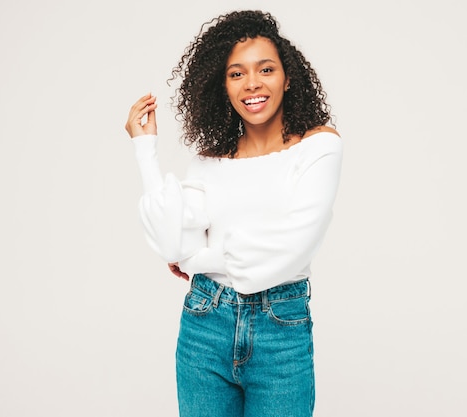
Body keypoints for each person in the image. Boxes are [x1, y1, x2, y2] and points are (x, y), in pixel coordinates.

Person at [124, 10, 342, 417]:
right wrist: (145, 149)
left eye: (266, 69)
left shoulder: (319, 146)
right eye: (236, 74)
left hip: (281, 330)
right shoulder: (209, 162)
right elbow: (171, 242)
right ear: (222, 86)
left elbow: (287, 251)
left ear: (288, 77)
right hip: (204, 326)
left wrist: (198, 259)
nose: (252, 84)